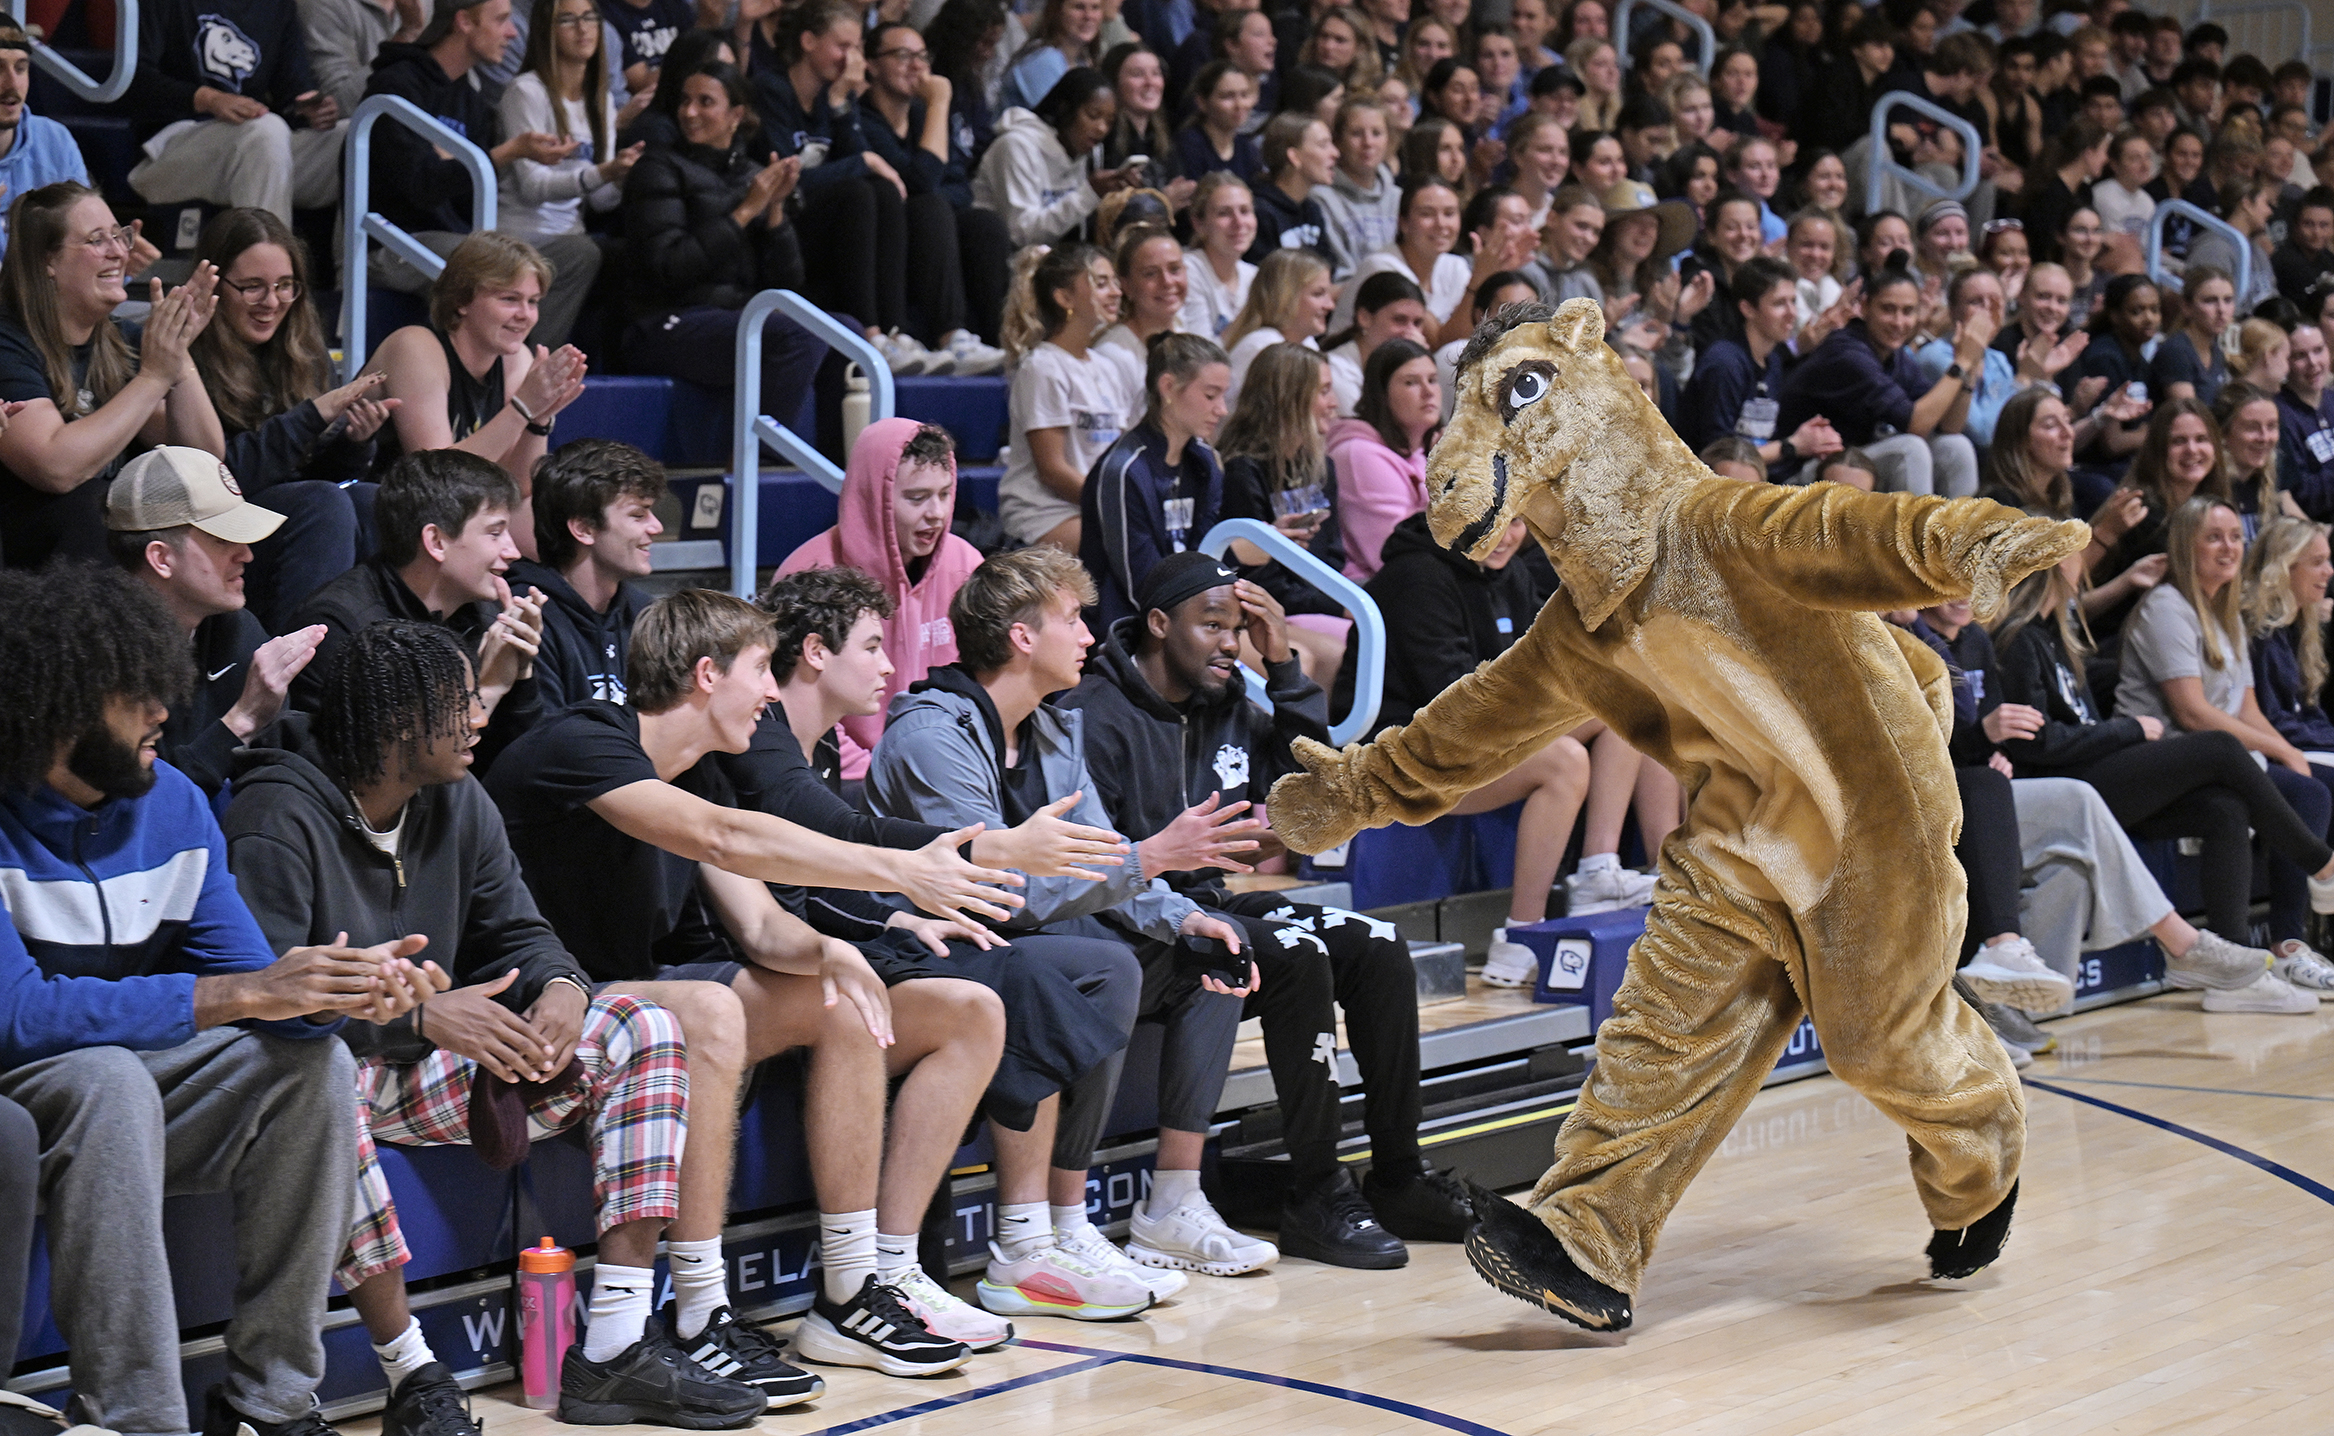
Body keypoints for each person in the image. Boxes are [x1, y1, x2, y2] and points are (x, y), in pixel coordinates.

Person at [223, 622, 783, 1432]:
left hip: (427, 1068)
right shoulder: (276, 815)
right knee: (323, 1085)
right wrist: (419, 1013)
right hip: (318, 1071)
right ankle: (411, 1371)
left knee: (645, 1026)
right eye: (459, 701)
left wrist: (562, 989)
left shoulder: (458, 798)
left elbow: (524, 932)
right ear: (400, 722)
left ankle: (616, 1348)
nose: (480, 713)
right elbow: (269, 1005)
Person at [486, 588, 1030, 1375]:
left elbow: (761, 926)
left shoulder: (700, 772)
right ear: (706, 675)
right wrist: (903, 871)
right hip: (538, 1002)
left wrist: (830, 952)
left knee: (840, 996)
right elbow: (726, 836)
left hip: (628, 998)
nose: (774, 692)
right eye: (758, 671)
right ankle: (700, 1311)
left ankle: (850, 1294)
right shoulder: (584, 742)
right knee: (708, 1009)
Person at [0, 563, 438, 1436]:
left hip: (135, 1095)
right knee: (107, 1079)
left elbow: (260, 988)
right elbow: (18, 1018)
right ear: (62, 707)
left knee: (310, 1064)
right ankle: (136, 1420)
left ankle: (270, 1402)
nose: (165, 710)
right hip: (28, 1095)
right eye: (136, 696)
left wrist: (344, 991)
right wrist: (236, 993)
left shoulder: (176, 806)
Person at [735, 566, 1143, 1336]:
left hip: (828, 949)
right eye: (871, 646)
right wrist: (995, 845)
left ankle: (948, 1256)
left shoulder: (817, 750)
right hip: (763, 973)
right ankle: (932, 1261)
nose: (891, 666)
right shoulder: (762, 743)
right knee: (1024, 978)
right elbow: (829, 848)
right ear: (816, 654)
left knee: (1030, 980)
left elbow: (816, 876)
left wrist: (890, 924)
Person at [866, 548, 1277, 1303]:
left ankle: (1154, 1207)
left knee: (1206, 955)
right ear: (1022, 637)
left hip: (1017, 942)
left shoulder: (1054, 729)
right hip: (923, 946)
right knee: (1093, 965)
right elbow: (995, 895)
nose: (1089, 636)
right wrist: (1152, 857)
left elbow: (1101, 862)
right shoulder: (932, 735)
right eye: (1071, 618)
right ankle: (1037, 1232)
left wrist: (1185, 911)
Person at [1062, 550, 1475, 1262]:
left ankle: (1399, 1174)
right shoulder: (1093, 716)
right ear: (1159, 625)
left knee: (1376, 942)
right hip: (1125, 923)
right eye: (1212, 624)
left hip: (1206, 908)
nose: (1230, 643)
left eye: (1238, 628)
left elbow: (1315, 787)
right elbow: (1096, 869)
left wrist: (1284, 666)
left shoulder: (1229, 706)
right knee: (1291, 953)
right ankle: (1317, 1192)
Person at [616, 60, 848, 440]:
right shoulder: (657, 167)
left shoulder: (752, 174)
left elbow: (787, 286)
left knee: (846, 333)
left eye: (705, 102)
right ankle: (757, 466)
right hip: (666, 321)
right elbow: (670, 267)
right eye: (685, 101)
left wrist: (775, 209)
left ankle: (836, 474)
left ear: (736, 114)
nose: (690, 112)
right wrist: (745, 212)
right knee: (798, 335)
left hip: (734, 319)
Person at [0, 183, 225, 571]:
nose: (119, 252)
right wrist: (154, 377)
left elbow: (203, 459)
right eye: (96, 240)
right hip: (34, 565)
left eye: (120, 236)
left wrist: (178, 353)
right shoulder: (9, 343)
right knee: (94, 504)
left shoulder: (125, 341)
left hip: (112, 561)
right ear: (46, 262)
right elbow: (55, 466)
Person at [361, 0, 603, 348]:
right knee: (480, 262)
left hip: (451, 239)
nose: (513, 32)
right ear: (464, 22)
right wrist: (507, 153)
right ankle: (484, 378)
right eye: (502, 20)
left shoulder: (470, 101)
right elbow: (418, 186)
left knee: (579, 254)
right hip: (387, 243)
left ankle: (524, 374)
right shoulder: (398, 85)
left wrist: (454, 162)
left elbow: (462, 192)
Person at [189, 209, 390, 625]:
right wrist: (312, 416)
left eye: (285, 286)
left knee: (371, 501)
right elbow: (225, 479)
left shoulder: (300, 348)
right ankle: (301, 674)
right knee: (322, 505)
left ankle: (374, 665)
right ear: (213, 285)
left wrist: (354, 443)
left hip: (288, 519)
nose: (273, 302)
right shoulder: (188, 355)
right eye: (251, 288)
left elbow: (310, 470)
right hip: (215, 525)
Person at [288, 452, 549, 765]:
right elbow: (375, 773)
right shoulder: (339, 628)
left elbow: (521, 766)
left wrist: (521, 672)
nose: (513, 552)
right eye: (495, 533)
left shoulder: (484, 614)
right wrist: (488, 691)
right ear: (436, 541)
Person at [103, 446, 327, 796]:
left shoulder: (236, 628)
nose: (247, 553)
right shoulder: (97, 658)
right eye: (223, 538)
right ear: (161, 557)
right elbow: (138, 809)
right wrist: (242, 720)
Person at [360, 231, 589, 509]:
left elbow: (519, 487)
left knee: (554, 514)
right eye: (509, 299)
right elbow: (437, 478)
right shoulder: (414, 347)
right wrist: (522, 408)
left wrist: (538, 420)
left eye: (533, 301)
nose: (525, 315)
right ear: (461, 300)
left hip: (447, 515)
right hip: (370, 506)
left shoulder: (514, 360)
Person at [860, 21, 1014, 364]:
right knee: (931, 207)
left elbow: (960, 184)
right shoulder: (863, 119)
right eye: (902, 56)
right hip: (891, 234)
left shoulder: (921, 115)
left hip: (931, 227)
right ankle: (950, 335)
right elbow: (925, 181)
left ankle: (1000, 339)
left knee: (983, 223)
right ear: (870, 64)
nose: (917, 66)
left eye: (922, 56)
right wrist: (940, 104)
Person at [1773, 256, 1983, 498]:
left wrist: (1969, 370)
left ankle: (1965, 535)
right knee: (1909, 450)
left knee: (1956, 446)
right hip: (1799, 472)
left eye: (1908, 312)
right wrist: (1961, 363)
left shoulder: (1894, 355)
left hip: (1855, 462)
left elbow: (1949, 425)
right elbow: (1917, 424)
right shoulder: (1846, 353)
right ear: (1864, 306)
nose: (1898, 322)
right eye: (1888, 309)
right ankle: (1914, 537)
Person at [125, 0, 343, 225]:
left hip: (257, 148)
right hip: (167, 146)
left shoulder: (277, 5)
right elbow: (133, 81)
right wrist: (207, 99)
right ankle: (266, 259)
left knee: (357, 137)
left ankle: (364, 259)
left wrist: (310, 109)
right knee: (265, 131)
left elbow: (291, 91)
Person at [1215, 340, 1350, 680]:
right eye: (1323, 392)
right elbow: (1256, 577)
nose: (1334, 404)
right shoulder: (1242, 471)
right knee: (1347, 649)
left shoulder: (1323, 467)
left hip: (1315, 601)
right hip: (1265, 609)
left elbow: (1332, 556)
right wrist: (1336, 606)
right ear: (1290, 399)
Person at [505, 438, 664, 715]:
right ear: (584, 529)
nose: (657, 527)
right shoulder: (529, 616)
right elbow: (543, 743)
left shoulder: (647, 616)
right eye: (638, 515)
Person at [1082, 333, 1229, 627]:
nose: (1222, 409)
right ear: (1168, 387)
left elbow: (1205, 555)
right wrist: (1235, 552)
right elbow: (1141, 587)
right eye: (1211, 395)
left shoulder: (1204, 463)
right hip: (1134, 628)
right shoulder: (1124, 471)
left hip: (1193, 617)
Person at [1000, 243, 1138, 552]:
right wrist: (1115, 505)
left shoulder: (1107, 365)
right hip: (1047, 513)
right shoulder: (1043, 367)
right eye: (1101, 284)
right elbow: (1053, 471)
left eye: (1115, 282)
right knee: (1131, 548)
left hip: (1095, 507)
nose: (1116, 292)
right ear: (1064, 298)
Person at [495, 0, 643, 247]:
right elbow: (532, 187)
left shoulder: (601, 100)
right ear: (547, 30)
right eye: (567, 20)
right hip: (520, 237)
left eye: (589, 17)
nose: (582, 28)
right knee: (589, 253)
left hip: (571, 234)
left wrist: (621, 177)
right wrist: (604, 172)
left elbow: (598, 199)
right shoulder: (526, 91)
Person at [1680, 255, 1842, 469]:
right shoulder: (1724, 363)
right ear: (1748, 309)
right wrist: (1791, 446)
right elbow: (1718, 458)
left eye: (1793, 301)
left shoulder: (1772, 359)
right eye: (1779, 304)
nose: (1791, 313)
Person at [976, 66, 1139, 249]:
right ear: (1065, 108)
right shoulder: (1016, 146)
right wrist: (1089, 193)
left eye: (1109, 122)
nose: (1102, 128)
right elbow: (1021, 234)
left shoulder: (1084, 153)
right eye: (1093, 115)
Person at [1330, 337, 1438, 582]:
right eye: (1411, 382)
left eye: (1432, 380)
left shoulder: (1425, 450)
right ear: (1382, 394)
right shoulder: (1359, 454)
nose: (1429, 391)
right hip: (1368, 591)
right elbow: (1396, 554)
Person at [0, 19, 93, 265]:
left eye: (21, 68)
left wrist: (112, 259)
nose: (12, 84)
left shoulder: (54, 141)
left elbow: (83, 237)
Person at [1913, 267, 2023, 448]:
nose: (1988, 309)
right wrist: (2023, 381)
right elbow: (1982, 435)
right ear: (1953, 311)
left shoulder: (1998, 360)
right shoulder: (1935, 356)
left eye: (1995, 301)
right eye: (1976, 302)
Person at [1219, 246, 1334, 400]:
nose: (1330, 305)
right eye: (1318, 294)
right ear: (1285, 297)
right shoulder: (1261, 346)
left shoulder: (1308, 344)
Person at [1248, 112, 1346, 272]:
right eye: (1323, 145)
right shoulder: (1261, 212)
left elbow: (1328, 268)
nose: (1335, 153)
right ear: (1294, 156)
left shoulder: (1312, 210)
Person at [1322, 270, 1428, 413]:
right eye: (1399, 320)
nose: (1411, 333)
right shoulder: (1336, 371)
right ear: (1364, 318)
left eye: (1417, 323)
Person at [1317, 97, 1399, 265]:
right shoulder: (1321, 199)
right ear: (1338, 141)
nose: (1368, 142)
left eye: (1376, 133)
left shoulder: (1399, 198)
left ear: (1388, 140)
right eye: (1356, 133)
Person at [1180, 171, 1259, 338]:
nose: (1239, 223)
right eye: (1224, 213)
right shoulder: (1187, 271)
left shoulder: (1254, 276)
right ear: (1199, 224)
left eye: (1245, 211)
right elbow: (1202, 352)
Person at [2152, 265, 2235, 406]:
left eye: (2227, 300)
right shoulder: (2176, 351)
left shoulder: (2216, 351)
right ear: (2186, 307)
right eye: (2210, 301)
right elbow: (2189, 415)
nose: (2221, 310)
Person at [1004, 0, 1107, 112]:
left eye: (1095, 7)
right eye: (1079, 7)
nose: (1088, 16)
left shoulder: (1082, 60)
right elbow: (1058, 120)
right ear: (1057, 11)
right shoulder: (1044, 60)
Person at [2277, 316, 2334, 517]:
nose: (2313, 363)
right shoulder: (2279, 413)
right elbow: (2299, 490)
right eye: (2300, 355)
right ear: (2286, 361)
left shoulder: (2332, 400)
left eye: (2319, 350)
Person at [1521, 184, 1606, 307]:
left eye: (1596, 232)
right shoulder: (1525, 272)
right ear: (1552, 219)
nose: (1589, 239)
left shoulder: (1586, 283)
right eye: (1581, 226)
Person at [2271, 186, 2334, 317]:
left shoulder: (2328, 259)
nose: (2316, 233)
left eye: (2324, 225)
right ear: (2296, 226)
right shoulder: (2284, 262)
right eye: (2308, 224)